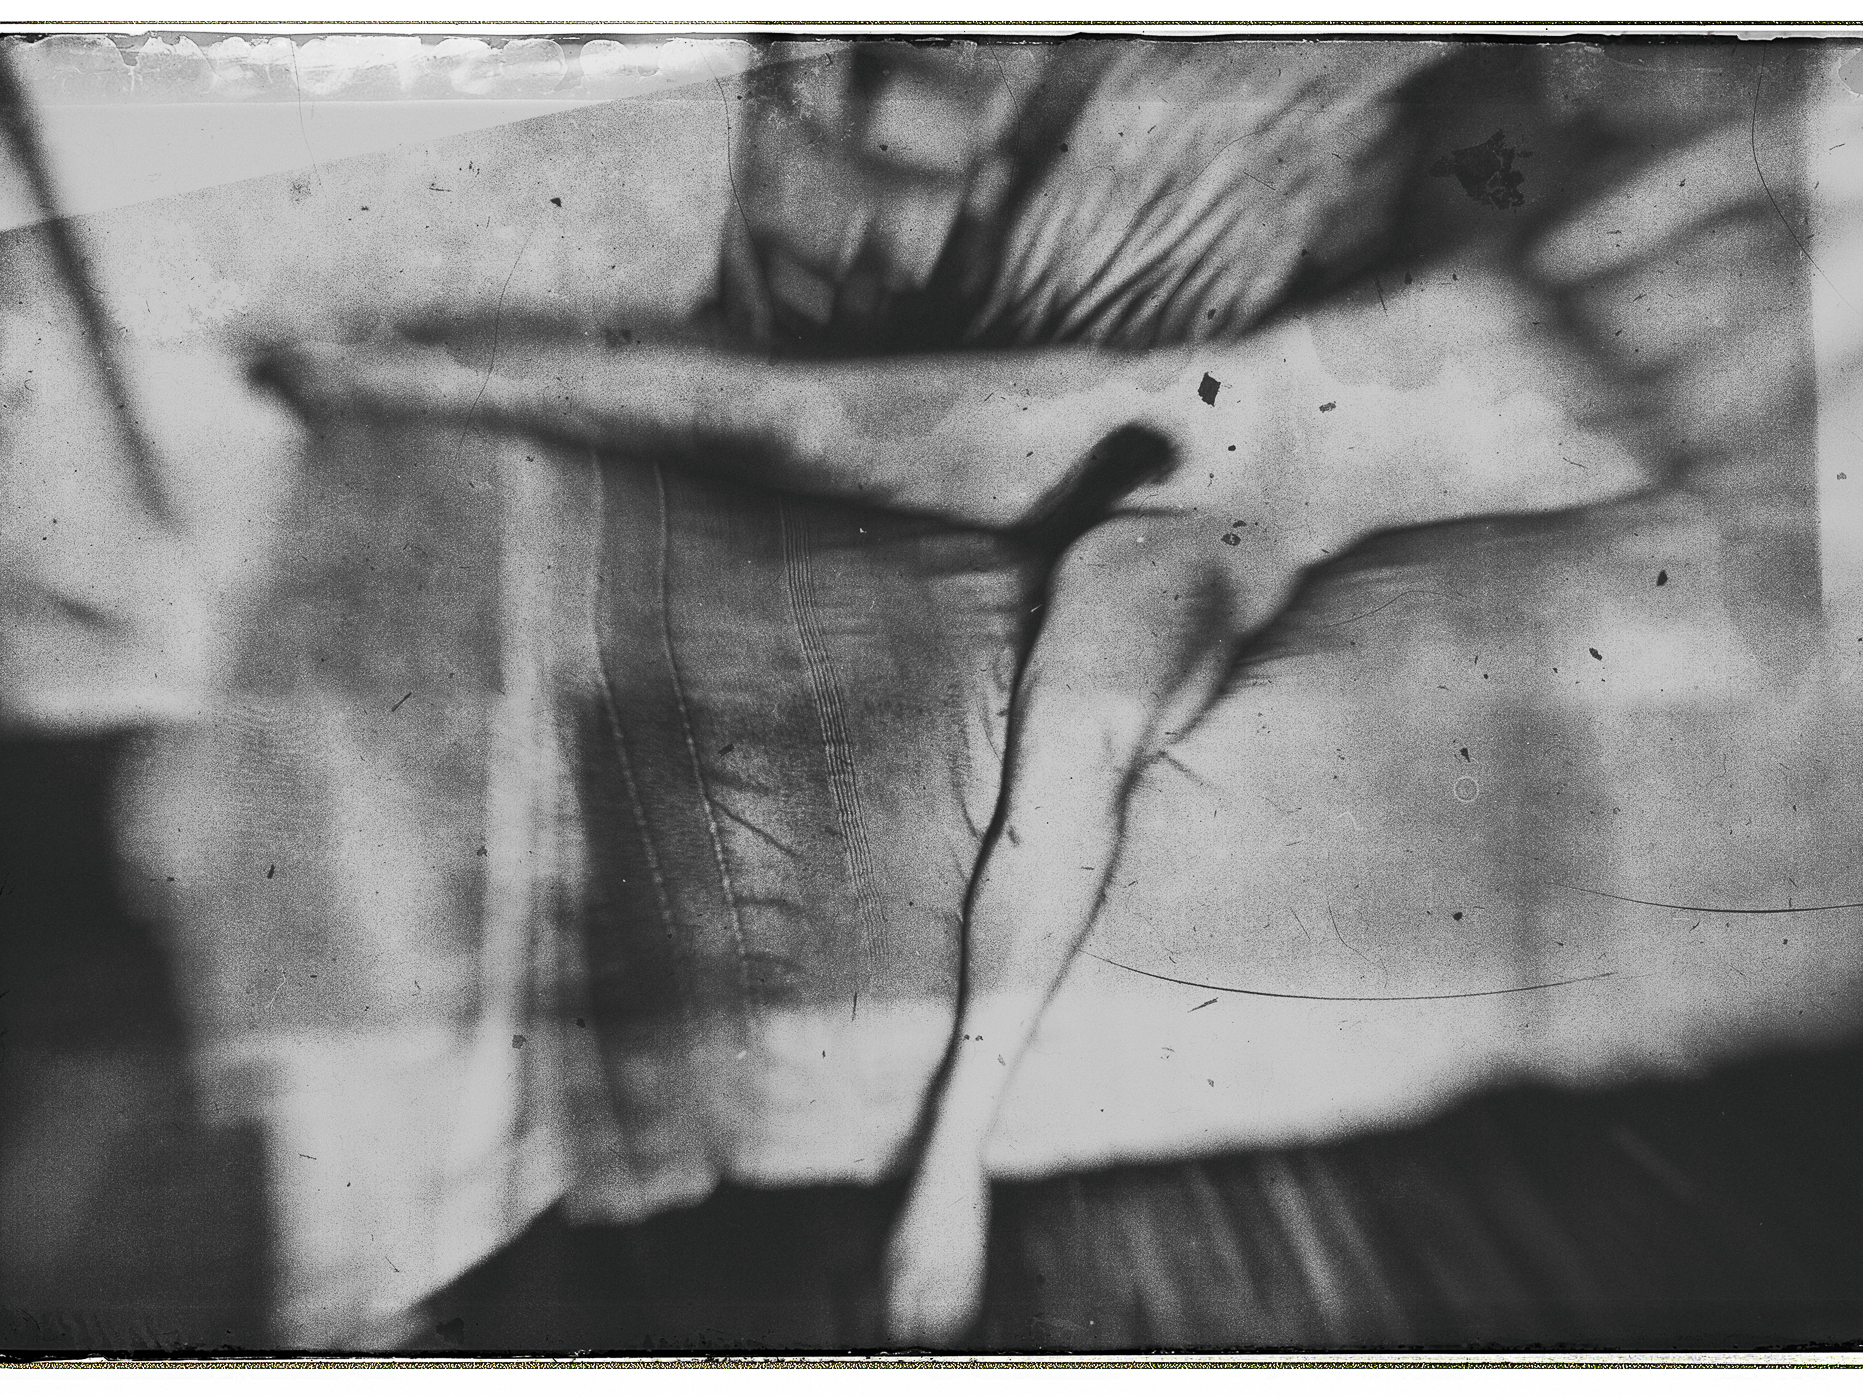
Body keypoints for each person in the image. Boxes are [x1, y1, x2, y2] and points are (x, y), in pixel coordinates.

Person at [263, 37, 1669, 1343]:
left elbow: (1056, 819)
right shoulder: (1476, 263)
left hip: (1219, 497)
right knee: (790, 422)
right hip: (1171, 405)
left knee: (1052, 738)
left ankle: (951, 1160)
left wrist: (952, 1175)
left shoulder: (1528, 356)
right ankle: (397, 374)